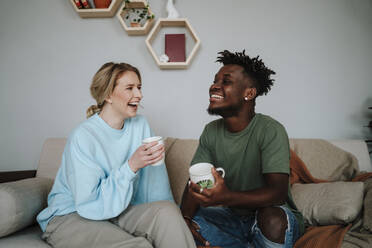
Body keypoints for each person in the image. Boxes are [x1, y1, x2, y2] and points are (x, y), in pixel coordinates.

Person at [37, 62, 196, 248]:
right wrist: (131, 166)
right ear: (107, 95)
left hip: (120, 210)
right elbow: (89, 202)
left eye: (139, 87)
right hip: (74, 213)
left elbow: (155, 186)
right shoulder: (84, 136)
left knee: (168, 213)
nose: (139, 95)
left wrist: (175, 219)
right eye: (130, 88)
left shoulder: (140, 125)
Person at [180, 50, 305, 248]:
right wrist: (185, 219)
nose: (214, 86)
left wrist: (226, 196)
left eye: (226, 81)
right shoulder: (211, 131)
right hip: (231, 219)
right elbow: (194, 181)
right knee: (181, 223)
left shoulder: (270, 130)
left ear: (249, 93)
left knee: (272, 219)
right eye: (215, 80)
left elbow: (277, 193)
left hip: (270, 217)